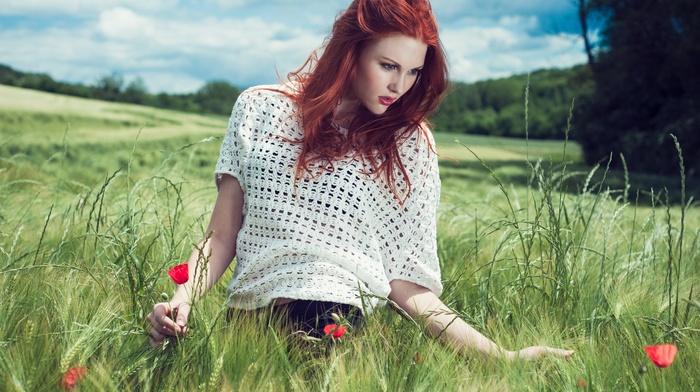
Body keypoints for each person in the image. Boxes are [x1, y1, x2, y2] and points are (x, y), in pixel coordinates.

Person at [147, 0, 574, 360]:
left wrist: (502, 357)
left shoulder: (411, 146)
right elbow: (220, 237)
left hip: (334, 327)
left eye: (413, 71)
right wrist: (181, 300)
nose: (399, 85)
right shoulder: (258, 109)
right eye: (388, 65)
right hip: (245, 325)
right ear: (350, 51)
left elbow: (406, 283)